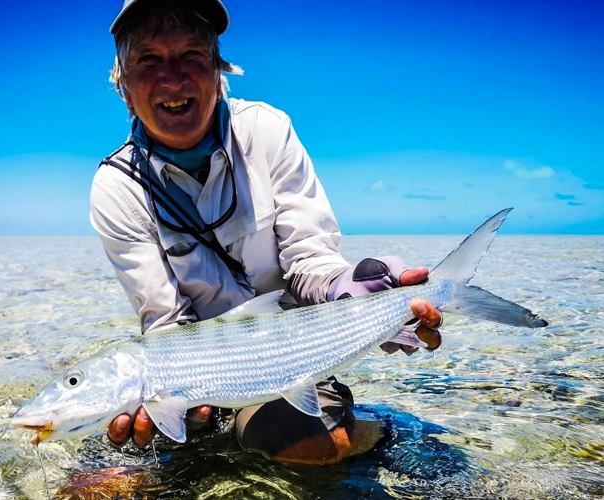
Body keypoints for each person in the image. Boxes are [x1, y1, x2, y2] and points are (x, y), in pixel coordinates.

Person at [90, 0, 443, 464]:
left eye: (193, 54)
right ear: (125, 88)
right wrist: (184, 399)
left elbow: (309, 260)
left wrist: (354, 288)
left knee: (312, 450)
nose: (173, 79)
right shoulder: (117, 187)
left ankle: (376, 432)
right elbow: (166, 322)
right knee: (100, 482)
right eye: (149, 60)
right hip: (201, 370)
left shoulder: (266, 131)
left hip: (291, 356)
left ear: (219, 71)